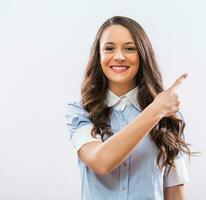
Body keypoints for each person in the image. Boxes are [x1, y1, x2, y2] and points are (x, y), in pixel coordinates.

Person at [65, 16, 192, 200]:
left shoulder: (167, 113)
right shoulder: (81, 110)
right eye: (109, 48)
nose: (119, 56)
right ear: (98, 56)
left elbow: (174, 190)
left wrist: (160, 111)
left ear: (142, 55)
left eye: (129, 48)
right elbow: (100, 162)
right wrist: (155, 111)